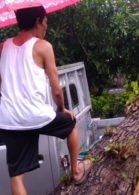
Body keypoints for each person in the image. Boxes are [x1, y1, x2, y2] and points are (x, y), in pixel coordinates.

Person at [0, 5, 91, 195]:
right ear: (37, 21)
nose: (46, 27)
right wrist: (62, 108)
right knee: (71, 123)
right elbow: (56, 89)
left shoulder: (3, 46)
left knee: (16, 177)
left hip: (9, 119)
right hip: (35, 114)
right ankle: (75, 171)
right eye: (46, 22)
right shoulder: (43, 46)